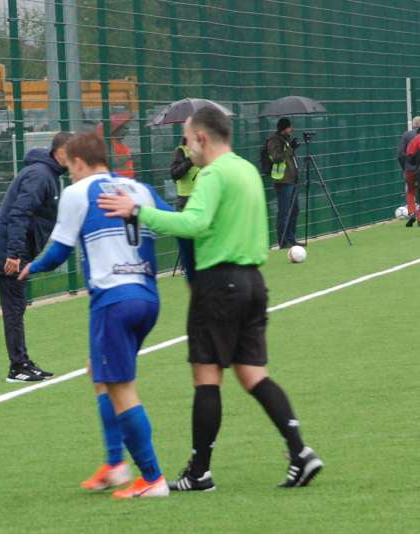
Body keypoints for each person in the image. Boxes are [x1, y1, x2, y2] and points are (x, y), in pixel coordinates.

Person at [98, 107, 323, 491]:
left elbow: (193, 224)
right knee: (253, 374)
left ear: (201, 137)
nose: (186, 147)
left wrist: (138, 211)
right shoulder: (246, 170)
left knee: (206, 377)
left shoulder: (213, 174)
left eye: (187, 139)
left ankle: (199, 471)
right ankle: (299, 452)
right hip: (253, 282)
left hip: (219, 284)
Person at [18, 132, 174, 499]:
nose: (69, 175)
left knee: (122, 390)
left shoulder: (78, 192)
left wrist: (32, 267)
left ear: (79, 163)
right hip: (148, 299)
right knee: (99, 372)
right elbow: (175, 223)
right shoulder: (139, 189)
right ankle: (115, 464)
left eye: (70, 168)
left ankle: (152, 478)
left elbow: (58, 251)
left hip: (113, 301)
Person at [0, 132, 72, 382]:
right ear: (60, 152)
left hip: (17, 253)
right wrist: (14, 254)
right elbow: (19, 214)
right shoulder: (40, 175)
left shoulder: (48, 174)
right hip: (9, 255)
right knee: (14, 309)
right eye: (72, 154)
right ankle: (17, 366)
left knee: (17, 308)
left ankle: (22, 362)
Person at [266, 117, 300, 248]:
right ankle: (283, 241)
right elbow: (277, 158)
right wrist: (289, 149)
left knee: (294, 210)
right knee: (284, 212)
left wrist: (292, 148)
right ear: (284, 128)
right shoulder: (274, 141)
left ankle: (291, 239)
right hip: (283, 181)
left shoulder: (286, 141)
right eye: (290, 127)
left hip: (292, 180)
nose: (292, 129)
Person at [169, 137, 198, 277]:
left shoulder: (204, 151)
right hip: (186, 199)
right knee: (187, 234)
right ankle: (186, 266)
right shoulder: (181, 151)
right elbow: (174, 174)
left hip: (202, 197)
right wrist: (190, 161)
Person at [398, 116, 420, 227]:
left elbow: (400, 154)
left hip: (409, 169)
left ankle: (412, 212)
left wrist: (405, 167)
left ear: (413, 124)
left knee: (410, 191)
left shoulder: (406, 135)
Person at [96, 113, 135, 179]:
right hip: (117, 179)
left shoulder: (117, 142)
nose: (126, 132)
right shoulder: (109, 143)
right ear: (115, 130)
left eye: (127, 129)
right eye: (124, 129)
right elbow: (112, 160)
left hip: (125, 178)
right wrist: (128, 157)